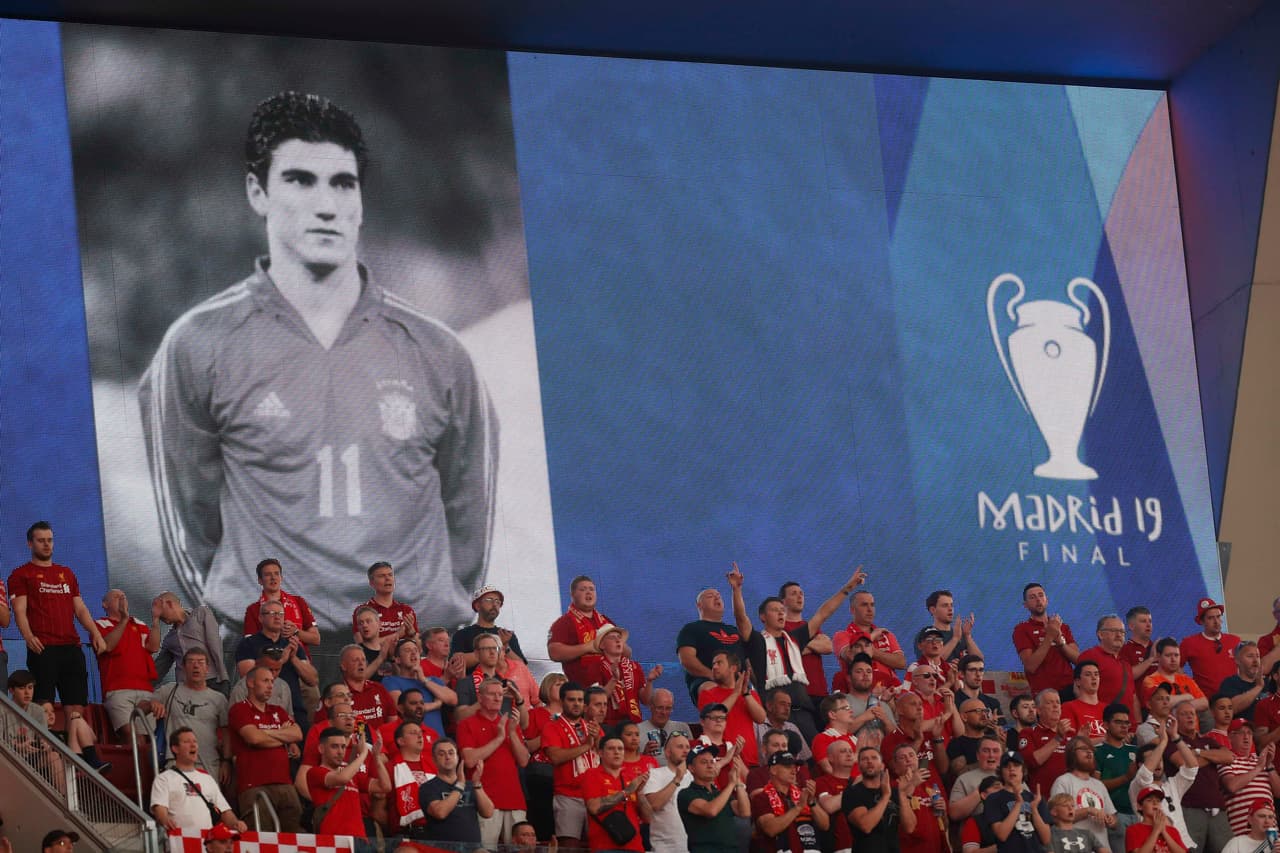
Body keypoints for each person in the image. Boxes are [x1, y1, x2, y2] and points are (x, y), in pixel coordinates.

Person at [140, 90, 499, 637]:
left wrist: (425, 628)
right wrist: (253, 622)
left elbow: (469, 518)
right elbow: (192, 526)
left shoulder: (439, 353)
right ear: (257, 193)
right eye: (300, 180)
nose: (326, 204)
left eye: (343, 183)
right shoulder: (197, 344)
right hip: (274, 658)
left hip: (411, 660)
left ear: (361, 201)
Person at [730, 562, 867, 744]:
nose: (780, 614)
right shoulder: (757, 641)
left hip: (803, 711)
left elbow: (823, 614)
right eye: (774, 610)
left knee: (815, 756)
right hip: (773, 714)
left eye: (782, 611)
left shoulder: (795, 638)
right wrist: (737, 590)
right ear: (763, 616)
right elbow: (741, 619)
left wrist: (848, 587)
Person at [9, 521, 107, 723]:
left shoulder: (67, 573)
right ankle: (45, 752)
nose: (46, 545)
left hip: (71, 647)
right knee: (42, 705)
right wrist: (28, 636)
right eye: (41, 541)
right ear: (30, 544)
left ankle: (76, 751)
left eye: (50, 540)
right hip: (43, 647)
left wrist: (95, 633)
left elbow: (79, 608)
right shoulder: (21, 574)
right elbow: (19, 610)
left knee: (76, 708)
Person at [228, 665, 304, 831]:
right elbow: (254, 738)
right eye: (265, 681)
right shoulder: (240, 709)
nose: (271, 686)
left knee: (293, 836)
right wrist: (282, 733)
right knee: (262, 837)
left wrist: (264, 733)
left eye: (272, 681)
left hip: (285, 784)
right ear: (250, 683)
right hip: (254, 786)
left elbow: (298, 734)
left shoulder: (278, 711)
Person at [457, 678, 531, 845]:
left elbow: (524, 761)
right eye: (492, 694)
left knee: (519, 850)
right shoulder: (467, 724)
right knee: (485, 849)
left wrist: (511, 733)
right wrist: (499, 739)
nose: (498, 698)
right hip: (485, 800)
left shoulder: (509, 723)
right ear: (480, 697)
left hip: (514, 799)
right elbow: (469, 760)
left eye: (500, 694)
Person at [9, 669, 109, 776]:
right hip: (51, 761)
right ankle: (91, 764)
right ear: (12, 691)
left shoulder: (61, 733)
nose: (50, 714)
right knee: (55, 754)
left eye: (52, 711)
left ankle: (92, 762)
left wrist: (79, 718)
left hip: (73, 758)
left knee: (76, 720)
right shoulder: (32, 727)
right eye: (45, 712)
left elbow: (94, 738)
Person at [235, 601, 319, 725]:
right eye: (272, 613)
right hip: (263, 708)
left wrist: (294, 658)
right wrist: (280, 660)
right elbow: (247, 676)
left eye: (280, 613)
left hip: (294, 708)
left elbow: (312, 680)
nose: (277, 617)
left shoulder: (292, 644)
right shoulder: (249, 643)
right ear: (261, 618)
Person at [155, 647, 231, 783]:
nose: (196, 666)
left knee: (207, 803)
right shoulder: (169, 690)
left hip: (208, 764)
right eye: (190, 662)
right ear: (183, 667)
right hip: (175, 762)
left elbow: (226, 733)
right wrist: (152, 704)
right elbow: (142, 705)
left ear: (208, 668)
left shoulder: (218, 698)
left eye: (201, 662)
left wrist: (226, 762)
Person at [151, 727, 246, 833]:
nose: (193, 745)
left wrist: (236, 823)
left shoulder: (207, 778)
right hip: (179, 839)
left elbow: (224, 811)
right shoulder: (164, 778)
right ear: (175, 749)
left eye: (195, 741)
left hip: (207, 842)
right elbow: (159, 808)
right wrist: (165, 820)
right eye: (186, 742)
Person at [94, 588, 162, 736]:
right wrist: (124, 620)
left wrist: (156, 621)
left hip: (144, 689)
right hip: (118, 690)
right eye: (117, 597)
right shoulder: (100, 624)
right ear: (105, 604)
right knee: (131, 737)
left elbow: (153, 646)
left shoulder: (138, 623)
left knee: (147, 738)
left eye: (124, 597)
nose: (122, 599)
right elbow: (107, 646)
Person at [308, 726, 392, 842]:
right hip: (333, 840)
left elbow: (385, 786)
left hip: (359, 839)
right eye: (334, 746)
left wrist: (376, 757)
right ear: (321, 748)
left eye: (343, 747)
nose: (340, 752)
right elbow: (342, 778)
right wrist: (363, 754)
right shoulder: (315, 772)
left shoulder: (352, 775)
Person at [543, 681, 601, 843]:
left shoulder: (592, 726)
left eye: (580, 700)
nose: (577, 704)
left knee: (596, 844)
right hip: (568, 796)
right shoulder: (552, 726)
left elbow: (604, 755)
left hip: (595, 795)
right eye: (571, 700)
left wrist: (596, 739)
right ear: (562, 702)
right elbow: (556, 757)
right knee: (570, 846)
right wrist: (587, 746)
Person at [1126, 724, 1197, 852]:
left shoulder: (1172, 784)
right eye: (1153, 758)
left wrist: (1175, 737)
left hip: (1185, 845)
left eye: (1160, 759)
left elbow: (1192, 768)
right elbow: (1145, 774)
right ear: (1140, 765)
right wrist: (1163, 742)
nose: (1158, 762)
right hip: (1154, 845)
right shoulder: (1138, 786)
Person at [678, 740, 750, 853]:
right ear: (691, 768)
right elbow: (711, 811)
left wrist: (738, 781)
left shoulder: (720, 794)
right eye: (704, 762)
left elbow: (745, 812)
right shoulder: (686, 793)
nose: (710, 765)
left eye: (712, 761)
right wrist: (731, 784)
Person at [583, 735, 651, 852]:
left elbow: (648, 818)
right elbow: (594, 807)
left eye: (620, 749)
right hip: (605, 846)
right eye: (611, 748)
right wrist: (628, 791)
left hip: (635, 846)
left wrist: (640, 793)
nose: (617, 752)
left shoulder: (632, 777)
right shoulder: (592, 774)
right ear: (600, 753)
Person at [677, 587, 745, 705]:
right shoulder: (691, 629)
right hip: (706, 681)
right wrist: (713, 676)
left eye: (718, 595)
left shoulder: (734, 630)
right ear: (699, 605)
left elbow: (747, 661)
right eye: (710, 596)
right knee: (711, 690)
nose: (717, 597)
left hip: (739, 684)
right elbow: (687, 659)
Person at [752, 750, 830, 853]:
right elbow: (770, 829)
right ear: (773, 770)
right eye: (788, 767)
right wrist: (798, 808)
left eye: (795, 767)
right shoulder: (762, 798)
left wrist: (812, 802)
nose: (794, 771)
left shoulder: (802, 794)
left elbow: (825, 825)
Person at [697, 650, 766, 767]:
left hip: (750, 759)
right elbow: (716, 715)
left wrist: (745, 694)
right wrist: (735, 693)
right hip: (720, 759)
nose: (714, 667)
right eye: (713, 664)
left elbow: (761, 718)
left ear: (733, 668)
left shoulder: (749, 694)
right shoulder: (707, 694)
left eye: (719, 663)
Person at [419, 739, 494, 844]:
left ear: (458, 758)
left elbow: (488, 812)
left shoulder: (470, 785)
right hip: (442, 850)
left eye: (451, 753)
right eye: (441, 754)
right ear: (434, 760)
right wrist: (460, 786)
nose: (447, 757)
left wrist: (477, 784)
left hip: (472, 849)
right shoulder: (428, 787)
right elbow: (440, 813)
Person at [548, 575, 619, 686]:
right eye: (583, 589)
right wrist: (589, 647)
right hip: (583, 692)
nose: (588, 592)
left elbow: (627, 652)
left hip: (613, 687)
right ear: (572, 595)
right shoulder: (564, 622)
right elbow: (554, 653)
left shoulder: (605, 621)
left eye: (591, 589)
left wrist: (614, 645)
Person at [1049, 736, 1117, 851]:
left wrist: (1111, 820)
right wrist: (1088, 810)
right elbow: (1056, 817)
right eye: (1084, 749)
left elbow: (1114, 821)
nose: (1089, 752)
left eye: (1091, 749)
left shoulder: (1099, 785)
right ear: (1072, 754)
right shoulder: (1063, 781)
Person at [153, 591, 229, 691]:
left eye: (159, 609)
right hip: (185, 687)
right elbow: (158, 669)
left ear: (169, 604)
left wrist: (223, 677)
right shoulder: (169, 639)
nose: (157, 614)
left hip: (210, 680)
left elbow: (215, 644)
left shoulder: (200, 614)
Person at [842, 745, 912, 852]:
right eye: (864, 759)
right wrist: (885, 796)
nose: (869, 761)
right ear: (859, 766)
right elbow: (866, 826)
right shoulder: (852, 793)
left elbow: (909, 827)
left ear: (882, 765)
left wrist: (902, 794)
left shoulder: (894, 792)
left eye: (874, 758)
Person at [833, 588, 907, 690]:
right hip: (859, 690)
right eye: (864, 605)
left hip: (890, 690)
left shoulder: (885, 634)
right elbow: (851, 656)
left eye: (872, 605)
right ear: (852, 610)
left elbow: (901, 663)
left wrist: (872, 652)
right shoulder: (842, 635)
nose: (869, 609)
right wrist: (870, 638)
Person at [1012, 583, 1079, 695]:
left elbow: (1078, 660)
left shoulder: (1062, 626)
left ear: (1046, 600)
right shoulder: (1022, 629)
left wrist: (1060, 642)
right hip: (1044, 693)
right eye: (1032, 597)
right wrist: (1049, 637)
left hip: (1070, 688)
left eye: (1041, 595)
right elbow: (1030, 666)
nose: (1038, 600)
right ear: (1025, 605)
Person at [979, 753, 1052, 852]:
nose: (1011, 769)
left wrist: (1034, 810)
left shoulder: (1036, 798)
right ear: (1001, 772)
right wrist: (1018, 804)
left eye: (1016, 765)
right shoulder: (993, 799)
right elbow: (1002, 835)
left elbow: (1046, 839)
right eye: (1006, 766)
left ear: (1023, 771)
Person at [1219, 721, 1280, 836]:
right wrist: (1258, 768)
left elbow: (1278, 792)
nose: (1246, 736)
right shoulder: (1226, 760)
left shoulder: (1262, 761)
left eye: (1249, 733)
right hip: (1244, 834)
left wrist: (1269, 765)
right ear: (1230, 737)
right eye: (1241, 733)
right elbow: (1232, 786)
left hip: (1271, 833)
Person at [241, 558, 320, 645]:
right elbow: (249, 645)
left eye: (276, 573)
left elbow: (316, 639)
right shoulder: (253, 609)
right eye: (267, 574)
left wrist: (296, 631)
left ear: (281, 578)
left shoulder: (298, 602)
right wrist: (272, 633)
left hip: (301, 658)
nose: (273, 578)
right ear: (260, 580)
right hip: (270, 657)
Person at [593, 625, 660, 726]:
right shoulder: (595, 667)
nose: (617, 640)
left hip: (634, 723)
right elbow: (597, 699)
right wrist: (614, 680)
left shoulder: (634, 666)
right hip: (609, 724)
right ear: (602, 645)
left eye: (619, 637)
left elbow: (645, 701)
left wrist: (650, 681)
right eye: (612, 637)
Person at [1093, 704, 1138, 851]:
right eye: (1118, 722)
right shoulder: (1097, 752)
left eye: (1126, 723)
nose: (1124, 726)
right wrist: (1126, 778)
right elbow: (1096, 787)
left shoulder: (1136, 751)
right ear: (1105, 724)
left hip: (1139, 814)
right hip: (1114, 816)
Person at [1078, 615, 1139, 722]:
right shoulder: (1090, 656)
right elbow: (1080, 691)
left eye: (1122, 632)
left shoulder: (1125, 664)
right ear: (1100, 634)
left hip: (1129, 729)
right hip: (1103, 726)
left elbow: (1133, 698)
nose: (1119, 635)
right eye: (1113, 631)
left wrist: (1137, 725)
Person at [780, 580, 834, 700]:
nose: (799, 596)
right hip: (794, 695)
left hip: (820, 692)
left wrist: (798, 645)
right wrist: (814, 645)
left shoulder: (811, 626)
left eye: (801, 593)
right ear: (783, 602)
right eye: (793, 593)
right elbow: (785, 653)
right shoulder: (779, 628)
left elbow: (828, 647)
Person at [451, 585, 529, 668]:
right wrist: (494, 648)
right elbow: (455, 663)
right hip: (473, 680)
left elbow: (522, 667)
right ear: (477, 606)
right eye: (489, 600)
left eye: (497, 601)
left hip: (502, 681)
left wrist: (506, 647)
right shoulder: (462, 634)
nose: (494, 604)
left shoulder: (507, 635)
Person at [1180, 598, 1241, 698]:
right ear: (1201, 621)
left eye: (1218, 617)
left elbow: (1246, 667)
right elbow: (1175, 666)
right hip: (1205, 703)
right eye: (1211, 618)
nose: (1216, 621)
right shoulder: (1189, 643)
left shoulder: (1235, 641)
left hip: (1234, 701)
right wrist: (1188, 686)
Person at [643, 731, 692, 851]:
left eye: (688, 747)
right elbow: (655, 804)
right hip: (665, 848)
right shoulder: (655, 774)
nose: (685, 751)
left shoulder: (694, 777)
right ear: (668, 752)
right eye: (680, 747)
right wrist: (677, 779)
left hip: (692, 846)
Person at [1019, 689, 1071, 799]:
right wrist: (1057, 739)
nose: (1055, 706)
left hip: (1069, 799)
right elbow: (1031, 761)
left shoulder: (1071, 732)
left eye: (1058, 702)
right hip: (1042, 800)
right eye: (1049, 703)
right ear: (1038, 710)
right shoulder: (1028, 733)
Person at [354, 562, 420, 642]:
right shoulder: (362, 610)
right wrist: (397, 635)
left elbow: (419, 649)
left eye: (390, 575)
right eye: (381, 576)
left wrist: (412, 633)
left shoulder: (406, 610)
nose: (387, 578)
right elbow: (362, 646)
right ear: (371, 583)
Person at [913, 588, 983, 662]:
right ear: (933, 610)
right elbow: (931, 662)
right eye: (945, 605)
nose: (950, 609)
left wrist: (967, 636)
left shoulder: (961, 634)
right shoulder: (925, 636)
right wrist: (955, 639)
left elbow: (979, 661)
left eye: (951, 605)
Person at [1139, 640, 1206, 714]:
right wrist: (1187, 697)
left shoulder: (1186, 679)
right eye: (1168, 655)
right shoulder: (1150, 680)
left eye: (1176, 655)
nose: (1173, 659)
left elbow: (1204, 702)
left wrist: (1180, 707)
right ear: (1158, 656)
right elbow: (1162, 703)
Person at [815, 738, 858, 853]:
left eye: (850, 751)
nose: (849, 754)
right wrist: (855, 787)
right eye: (843, 751)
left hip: (864, 844)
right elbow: (829, 806)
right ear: (830, 758)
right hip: (839, 846)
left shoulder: (859, 782)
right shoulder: (822, 782)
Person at [950, 735, 1005, 823]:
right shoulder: (964, 779)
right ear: (978, 755)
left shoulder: (1012, 775)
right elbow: (954, 814)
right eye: (986, 751)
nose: (991, 755)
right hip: (979, 831)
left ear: (1002, 755)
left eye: (995, 751)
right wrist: (981, 792)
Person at [339, 643, 397, 727]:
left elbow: (393, 723)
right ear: (343, 666)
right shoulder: (336, 694)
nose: (361, 663)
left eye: (363, 660)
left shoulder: (379, 688)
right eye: (355, 660)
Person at [229, 648, 295, 720]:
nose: (273, 674)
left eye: (277, 670)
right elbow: (237, 722)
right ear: (257, 664)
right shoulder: (241, 688)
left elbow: (290, 719)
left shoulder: (284, 686)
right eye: (269, 669)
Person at [752, 688, 812, 763]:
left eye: (789, 705)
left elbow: (804, 758)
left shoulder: (792, 727)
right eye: (782, 704)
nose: (787, 708)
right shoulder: (757, 725)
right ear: (769, 706)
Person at [1124, 787, 1188, 853]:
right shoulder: (1133, 830)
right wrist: (1156, 831)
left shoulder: (1172, 831)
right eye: (1149, 800)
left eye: (1158, 801)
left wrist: (1164, 832)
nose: (1155, 803)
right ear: (1139, 806)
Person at [637, 688, 693, 758]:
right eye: (660, 708)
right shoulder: (637, 730)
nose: (664, 712)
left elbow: (693, 758)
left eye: (668, 708)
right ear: (651, 707)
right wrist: (644, 755)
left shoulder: (682, 728)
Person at [1061, 661, 1108, 744]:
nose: (1094, 677)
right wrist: (1105, 740)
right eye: (1088, 674)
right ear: (1078, 681)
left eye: (1096, 674)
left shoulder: (1108, 709)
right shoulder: (1068, 707)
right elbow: (1069, 744)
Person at [1218, 641, 1267, 721]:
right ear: (1237, 660)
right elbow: (1231, 708)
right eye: (1250, 656)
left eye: (1257, 656)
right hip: (1242, 730)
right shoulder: (1230, 683)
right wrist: (1258, 687)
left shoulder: (1270, 682)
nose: (1255, 660)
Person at [813, 692, 860, 774]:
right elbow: (828, 769)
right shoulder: (822, 738)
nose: (851, 711)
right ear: (832, 714)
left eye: (850, 708)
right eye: (846, 708)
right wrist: (858, 756)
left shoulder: (854, 739)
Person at [956, 654, 1005, 724]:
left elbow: (1002, 730)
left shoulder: (993, 703)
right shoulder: (952, 702)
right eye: (972, 670)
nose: (978, 674)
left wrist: (996, 727)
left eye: (981, 670)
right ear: (961, 674)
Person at [1121, 607, 1157, 682]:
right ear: (1131, 626)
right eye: (1143, 621)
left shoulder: (1159, 648)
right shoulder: (1124, 650)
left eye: (1150, 621)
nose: (1148, 625)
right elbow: (1127, 676)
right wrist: (1151, 659)